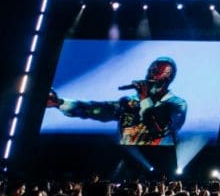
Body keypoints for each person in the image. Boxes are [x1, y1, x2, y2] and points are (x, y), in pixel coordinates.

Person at [47, 57, 187, 147]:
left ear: (168, 78)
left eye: (156, 72)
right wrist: (59, 102)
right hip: (129, 154)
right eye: (150, 71)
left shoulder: (177, 104)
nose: (150, 75)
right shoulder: (129, 102)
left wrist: (144, 98)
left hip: (161, 157)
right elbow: (95, 109)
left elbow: (159, 130)